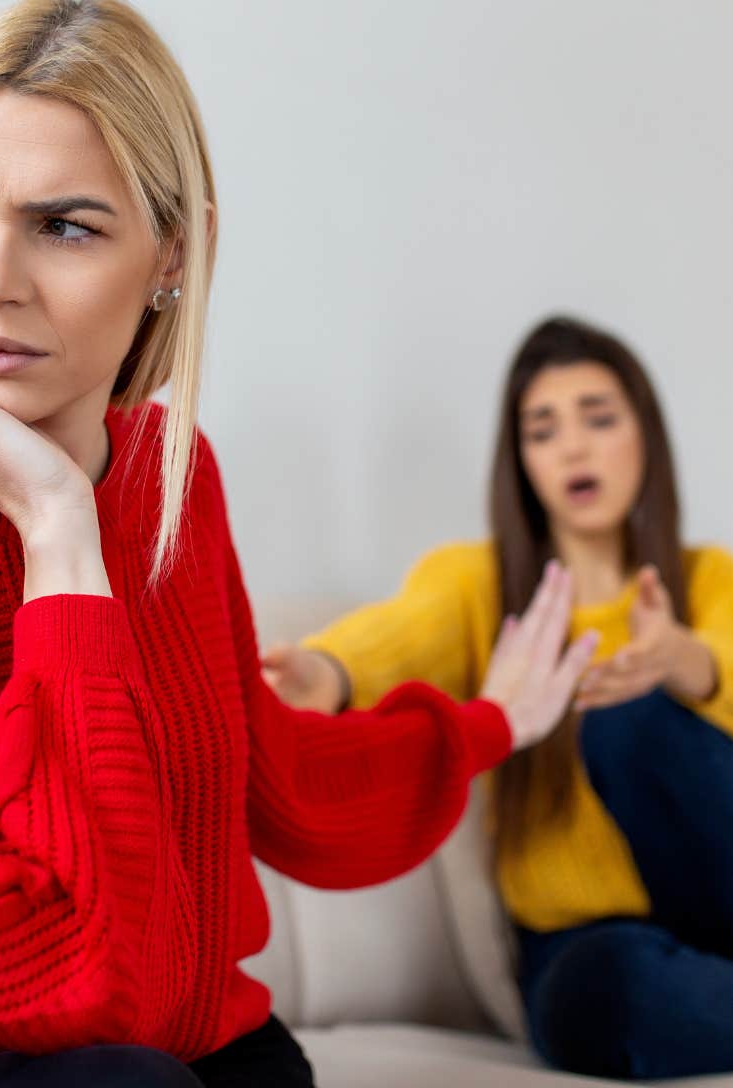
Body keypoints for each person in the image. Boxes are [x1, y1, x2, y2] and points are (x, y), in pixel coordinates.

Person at [0, 0, 595, 1087]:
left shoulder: (176, 476)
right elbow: (20, 968)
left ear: (176, 252)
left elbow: (267, 778)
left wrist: (494, 722)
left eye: (64, 226)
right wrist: (58, 538)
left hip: (207, 1052)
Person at [265, 316, 733, 1081]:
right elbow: (401, 636)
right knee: (602, 993)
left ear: (643, 435)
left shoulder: (708, 579)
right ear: (522, 461)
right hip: (590, 948)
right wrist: (323, 672)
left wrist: (688, 662)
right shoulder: (480, 585)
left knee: (630, 718)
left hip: (720, 912)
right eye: (543, 430)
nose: (574, 447)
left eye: (599, 418)